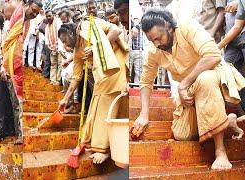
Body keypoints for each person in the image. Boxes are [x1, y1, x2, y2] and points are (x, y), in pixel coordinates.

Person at [132, 8, 245, 170]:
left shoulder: (188, 28)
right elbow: (145, 81)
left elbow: (213, 55)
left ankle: (220, 151)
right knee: (182, 135)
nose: (157, 44)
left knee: (205, 79)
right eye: (152, 41)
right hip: (189, 91)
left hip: (214, 79)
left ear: (168, 26)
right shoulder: (154, 50)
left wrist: (183, 84)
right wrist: (144, 115)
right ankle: (228, 121)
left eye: (159, 38)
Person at [59, 0, 129, 164]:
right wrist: (65, 98)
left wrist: (97, 45)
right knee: (95, 107)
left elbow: (116, 30)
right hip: (102, 75)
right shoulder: (77, 52)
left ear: (71, 33)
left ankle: (102, 149)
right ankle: (96, 141)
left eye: (64, 40)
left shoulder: (89, 25)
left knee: (105, 105)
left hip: (115, 65)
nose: (64, 45)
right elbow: (76, 77)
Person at [1, 0, 43, 143]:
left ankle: (21, 134)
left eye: (37, 13)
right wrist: (4, 65)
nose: (35, 14)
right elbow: (7, 42)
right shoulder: (16, 18)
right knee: (16, 101)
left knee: (18, 100)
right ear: (26, 5)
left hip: (17, 61)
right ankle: (20, 135)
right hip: (11, 63)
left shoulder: (26, 21)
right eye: (33, 10)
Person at [45, 10, 62, 85]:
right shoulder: (46, 27)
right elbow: (46, 38)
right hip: (52, 48)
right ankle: (52, 80)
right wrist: (49, 46)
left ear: (53, 15)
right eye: (47, 16)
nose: (48, 18)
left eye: (49, 16)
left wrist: (57, 45)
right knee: (53, 64)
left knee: (60, 63)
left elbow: (60, 35)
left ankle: (58, 80)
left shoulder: (58, 22)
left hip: (60, 47)